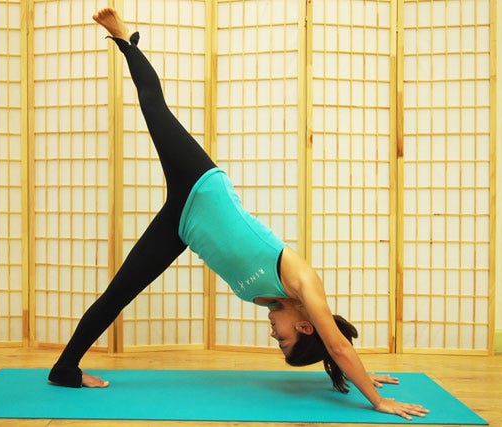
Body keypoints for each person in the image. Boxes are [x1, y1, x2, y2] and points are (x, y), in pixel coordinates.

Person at [48, 8, 429, 421]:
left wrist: (361, 373)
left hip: (183, 225)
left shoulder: (281, 303)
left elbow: (332, 347)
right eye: (283, 342)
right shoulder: (304, 283)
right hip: (202, 184)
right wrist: (376, 398)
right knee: (155, 109)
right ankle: (124, 40)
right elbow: (336, 343)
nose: (274, 337)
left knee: (119, 292)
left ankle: (64, 368)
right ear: (303, 327)